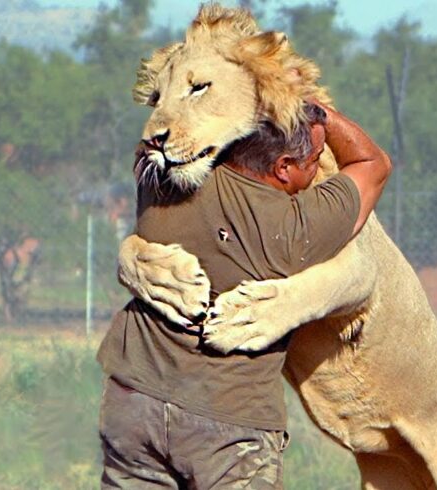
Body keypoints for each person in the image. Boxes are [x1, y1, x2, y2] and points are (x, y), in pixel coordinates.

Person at [97, 102, 392, 489]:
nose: (319, 168)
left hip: (134, 403)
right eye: (315, 159)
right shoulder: (294, 228)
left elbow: (166, 118)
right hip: (229, 425)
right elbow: (374, 164)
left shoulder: (161, 184)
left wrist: (255, 98)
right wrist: (319, 111)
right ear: (284, 168)